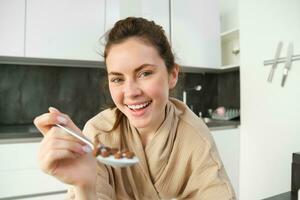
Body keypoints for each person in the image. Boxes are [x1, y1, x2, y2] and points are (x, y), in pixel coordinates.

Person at [34, 17, 236, 200]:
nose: (130, 92)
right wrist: (85, 186)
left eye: (145, 73)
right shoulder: (98, 135)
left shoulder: (194, 137)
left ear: (172, 74)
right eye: (117, 79)